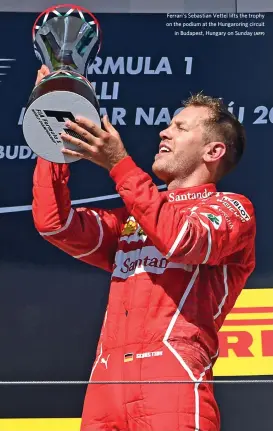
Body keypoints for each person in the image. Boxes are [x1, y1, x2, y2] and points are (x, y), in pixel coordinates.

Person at [32, 65, 256, 431]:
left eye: (181, 128)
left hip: (172, 379)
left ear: (214, 151)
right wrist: (54, 141)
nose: (163, 132)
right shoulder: (132, 219)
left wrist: (120, 164)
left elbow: (182, 240)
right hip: (104, 383)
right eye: (169, 125)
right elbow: (55, 223)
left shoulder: (232, 209)